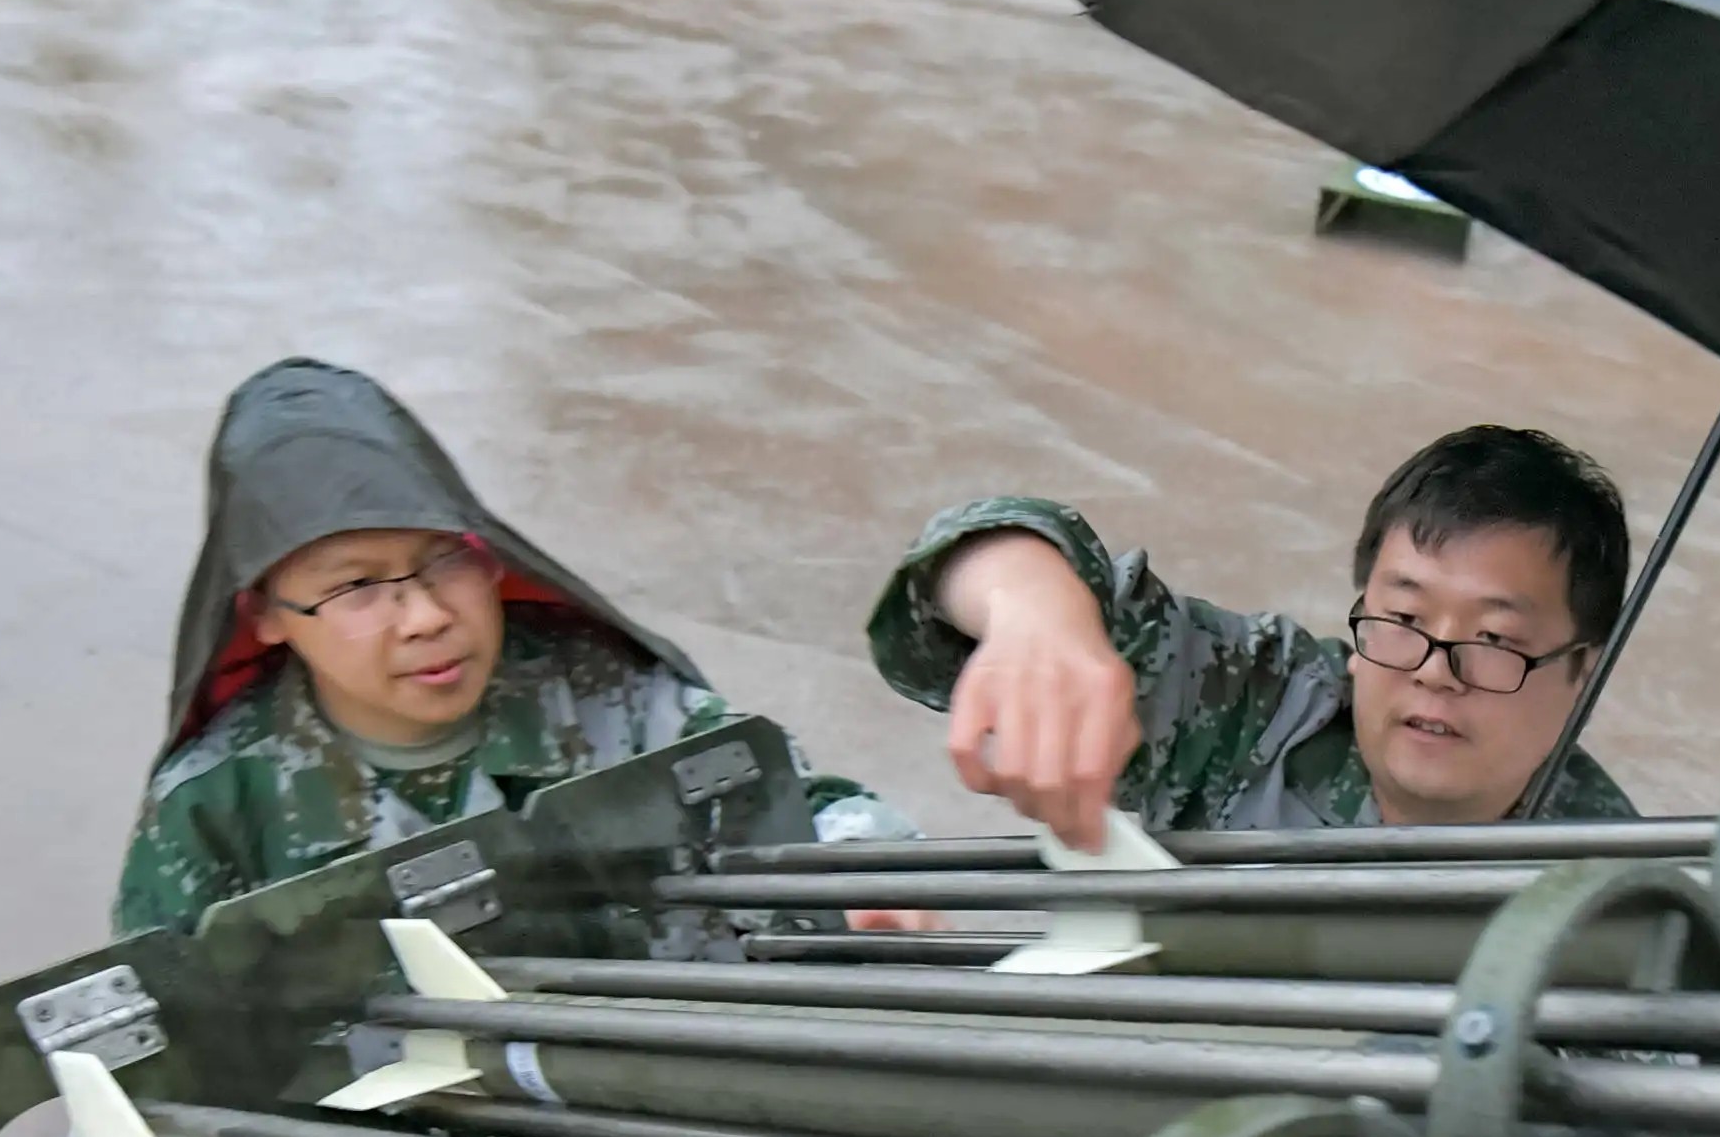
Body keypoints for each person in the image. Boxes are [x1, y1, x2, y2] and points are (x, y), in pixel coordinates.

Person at [115, 361, 898, 933]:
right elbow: (153, 1066)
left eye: (445, 561)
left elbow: (801, 811)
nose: (424, 616)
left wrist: (866, 878)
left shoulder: (605, 697)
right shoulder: (213, 803)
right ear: (265, 616)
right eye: (357, 587)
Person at [864, 425, 1637, 849]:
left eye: (1494, 640)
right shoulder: (1266, 710)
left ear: (1583, 674)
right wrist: (1038, 620)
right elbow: (974, 554)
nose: (1436, 671)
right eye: (1402, 621)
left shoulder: (1619, 897)